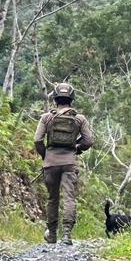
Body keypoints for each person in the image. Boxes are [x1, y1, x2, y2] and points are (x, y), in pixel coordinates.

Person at [33, 82, 94, 245]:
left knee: (53, 199)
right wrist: (77, 148)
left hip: (50, 163)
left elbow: (37, 140)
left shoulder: (47, 117)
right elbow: (89, 140)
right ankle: (67, 235)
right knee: (69, 198)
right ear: (71, 99)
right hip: (69, 163)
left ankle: (52, 234)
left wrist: (46, 156)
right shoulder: (79, 119)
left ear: (55, 98)